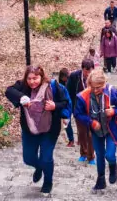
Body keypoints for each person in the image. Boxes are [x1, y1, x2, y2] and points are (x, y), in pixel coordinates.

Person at [5, 66, 69, 195]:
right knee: (28, 158)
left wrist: (55, 105)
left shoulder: (53, 86)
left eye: (35, 78)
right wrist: (22, 97)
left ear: (41, 76)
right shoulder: (23, 86)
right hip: (30, 128)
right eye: (29, 78)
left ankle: (48, 181)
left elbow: (65, 102)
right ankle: (39, 167)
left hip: (50, 129)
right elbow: (9, 91)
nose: (32, 81)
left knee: (46, 158)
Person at [73, 69, 117, 192]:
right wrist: (91, 122)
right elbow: (77, 113)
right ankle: (101, 179)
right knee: (99, 155)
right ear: (89, 84)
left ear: (104, 84)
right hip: (96, 131)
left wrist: (114, 111)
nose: (96, 90)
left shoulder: (111, 92)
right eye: (93, 87)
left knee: (109, 154)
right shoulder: (83, 96)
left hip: (111, 129)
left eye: (99, 87)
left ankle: (113, 167)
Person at [67, 59, 96, 164]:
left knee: (91, 134)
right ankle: (83, 153)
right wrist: (70, 109)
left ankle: (91, 156)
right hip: (78, 109)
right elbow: (68, 92)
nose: (88, 73)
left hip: (92, 110)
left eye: (90, 71)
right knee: (82, 133)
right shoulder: (74, 76)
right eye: (86, 71)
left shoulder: (96, 77)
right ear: (82, 69)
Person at [58, 68, 74, 147]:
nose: (67, 78)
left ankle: (72, 140)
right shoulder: (60, 85)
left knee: (68, 122)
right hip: (65, 105)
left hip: (71, 103)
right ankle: (71, 140)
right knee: (67, 122)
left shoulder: (70, 82)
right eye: (66, 77)